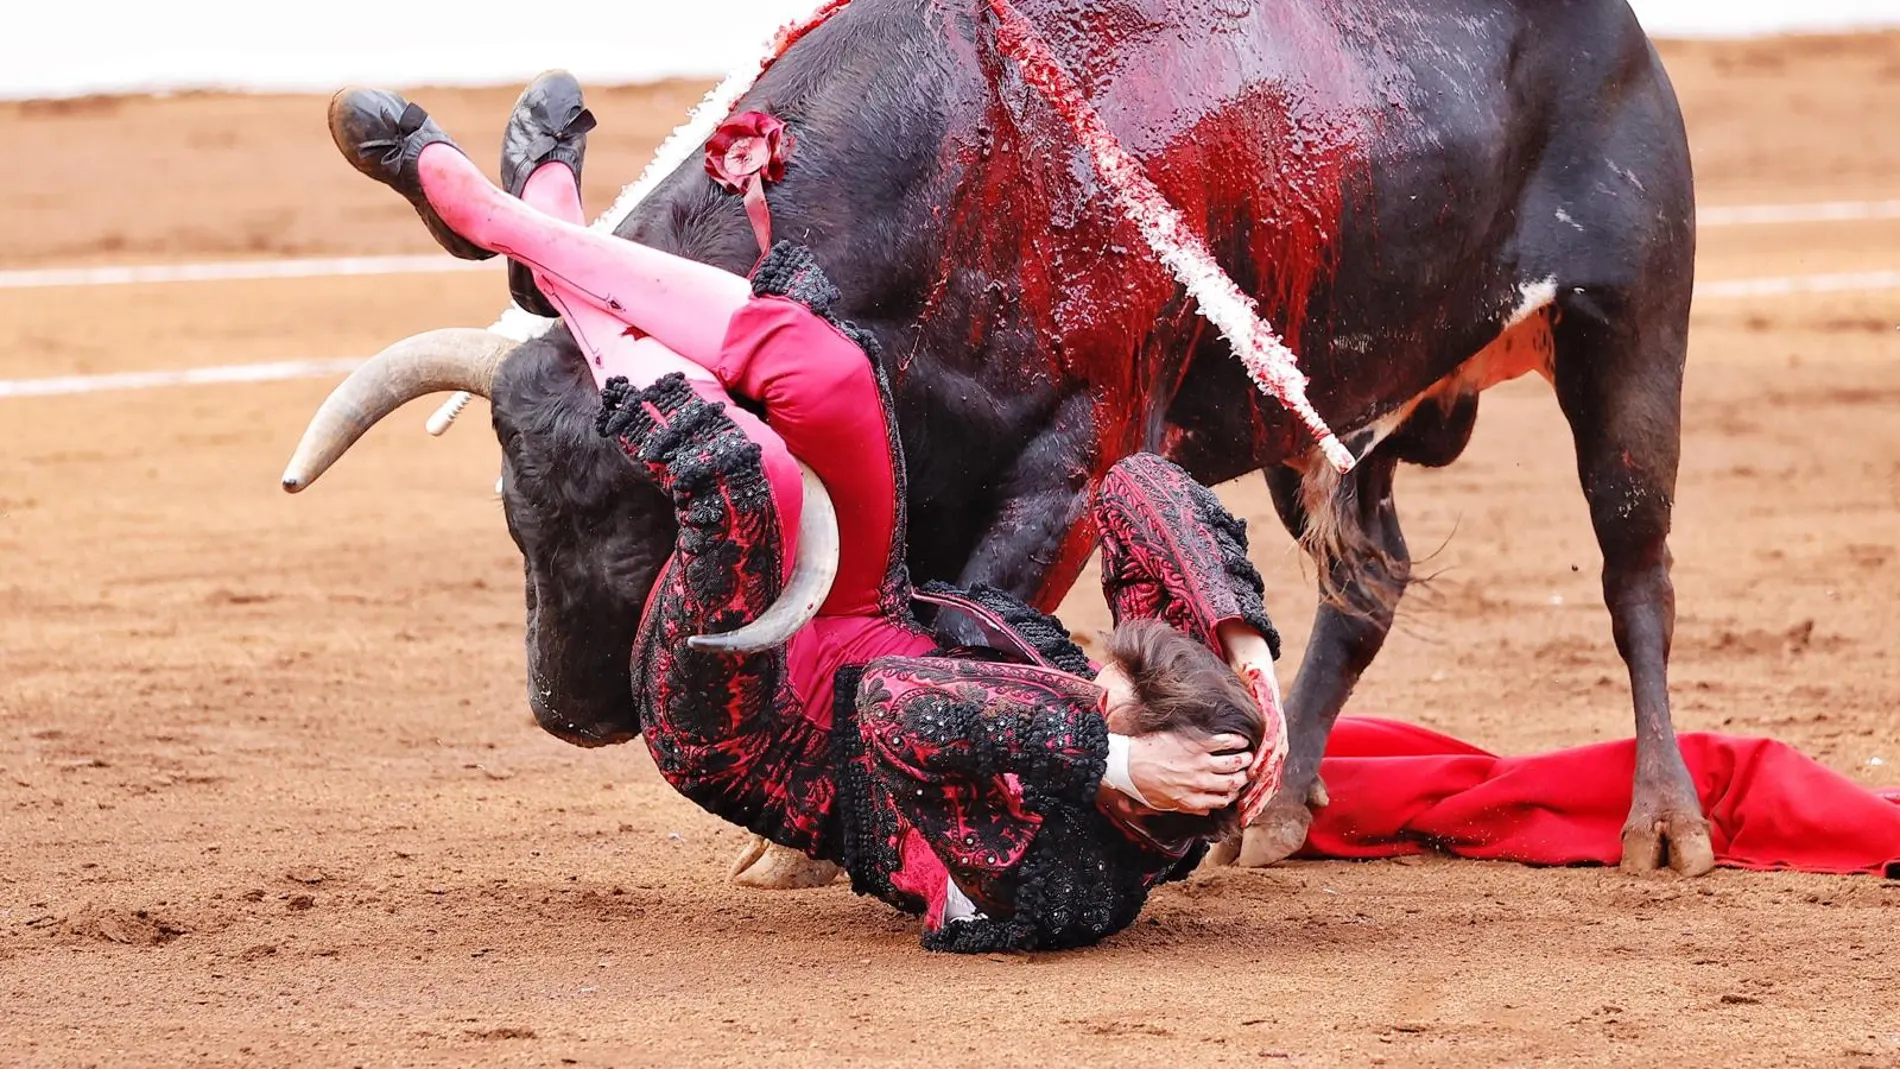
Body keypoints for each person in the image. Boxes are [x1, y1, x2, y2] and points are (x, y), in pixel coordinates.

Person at [326, 71, 1288, 952]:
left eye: (1104, 698)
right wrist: (1244, 654)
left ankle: (533, 238)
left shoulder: (1078, 881)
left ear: (1144, 804)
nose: (1085, 679)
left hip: (747, 718)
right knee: (827, 377)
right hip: (866, 609)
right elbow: (1137, 486)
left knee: (752, 476)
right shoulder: (1135, 724)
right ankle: (531, 239)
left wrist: (1108, 761)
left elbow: (892, 706)